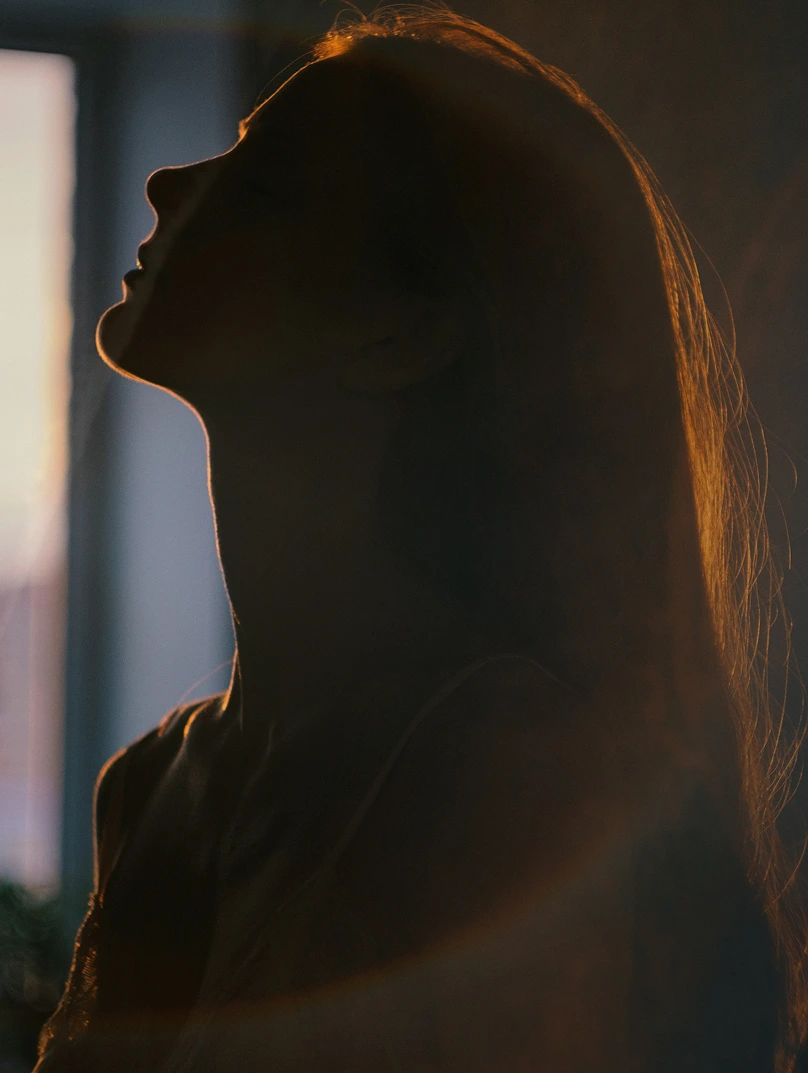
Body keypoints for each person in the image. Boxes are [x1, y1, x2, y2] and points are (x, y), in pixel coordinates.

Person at [35, 8, 807, 1072]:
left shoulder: (508, 789)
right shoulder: (148, 788)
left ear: (401, 331)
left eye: (261, 186)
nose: (168, 181)